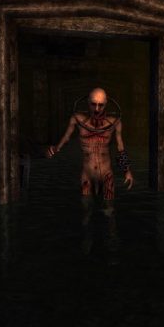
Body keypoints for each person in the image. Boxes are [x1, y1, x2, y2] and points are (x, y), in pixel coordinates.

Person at [47, 88, 133, 260]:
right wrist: (56, 149)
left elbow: (120, 147)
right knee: (86, 211)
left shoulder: (115, 122)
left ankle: (112, 242)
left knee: (109, 211)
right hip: (87, 174)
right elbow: (66, 137)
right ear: (87, 103)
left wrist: (127, 171)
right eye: (93, 104)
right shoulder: (77, 120)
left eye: (101, 105)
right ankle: (86, 241)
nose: (97, 109)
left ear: (106, 104)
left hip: (106, 174)